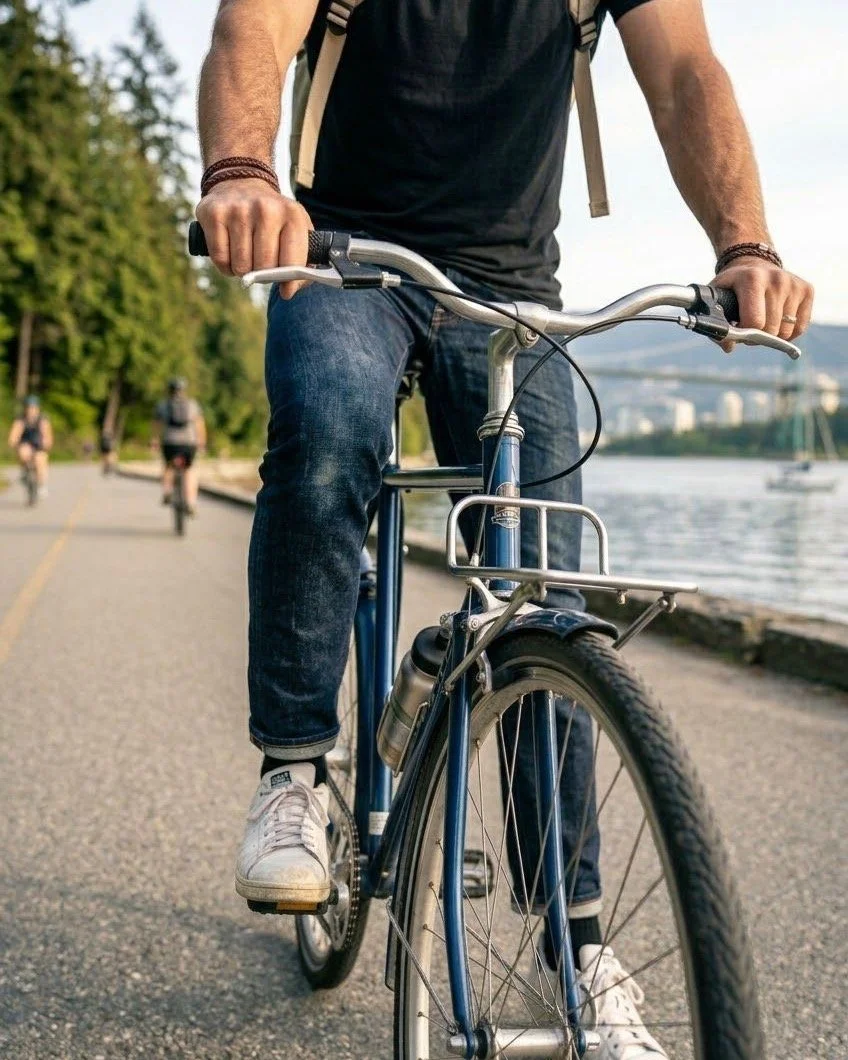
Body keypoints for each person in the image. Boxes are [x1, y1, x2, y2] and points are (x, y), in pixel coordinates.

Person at [196, 1, 814, 1054]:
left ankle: (576, 946)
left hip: (513, 284)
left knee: (541, 585)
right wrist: (242, 173)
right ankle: (293, 769)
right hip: (345, 258)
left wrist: (743, 242)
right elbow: (251, 27)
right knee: (328, 434)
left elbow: (684, 73)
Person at [152, 379, 206, 515]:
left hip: (169, 442)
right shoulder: (192, 404)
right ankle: (191, 503)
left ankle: (167, 491)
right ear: (184, 390)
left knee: (168, 466)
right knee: (190, 470)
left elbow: (157, 425)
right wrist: (201, 442)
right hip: (189, 443)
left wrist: (154, 440)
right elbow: (199, 424)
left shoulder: (163, 405)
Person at [8, 395, 53, 498]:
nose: (31, 410)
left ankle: (41, 485)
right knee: (23, 452)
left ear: (38, 408)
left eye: (34, 408)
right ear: (26, 408)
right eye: (29, 408)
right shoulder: (21, 419)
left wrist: (47, 442)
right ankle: (24, 472)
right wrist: (13, 441)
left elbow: (47, 434)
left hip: (38, 444)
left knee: (40, 460)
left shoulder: (42, 419)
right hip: (25, 443)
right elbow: (15, 432)